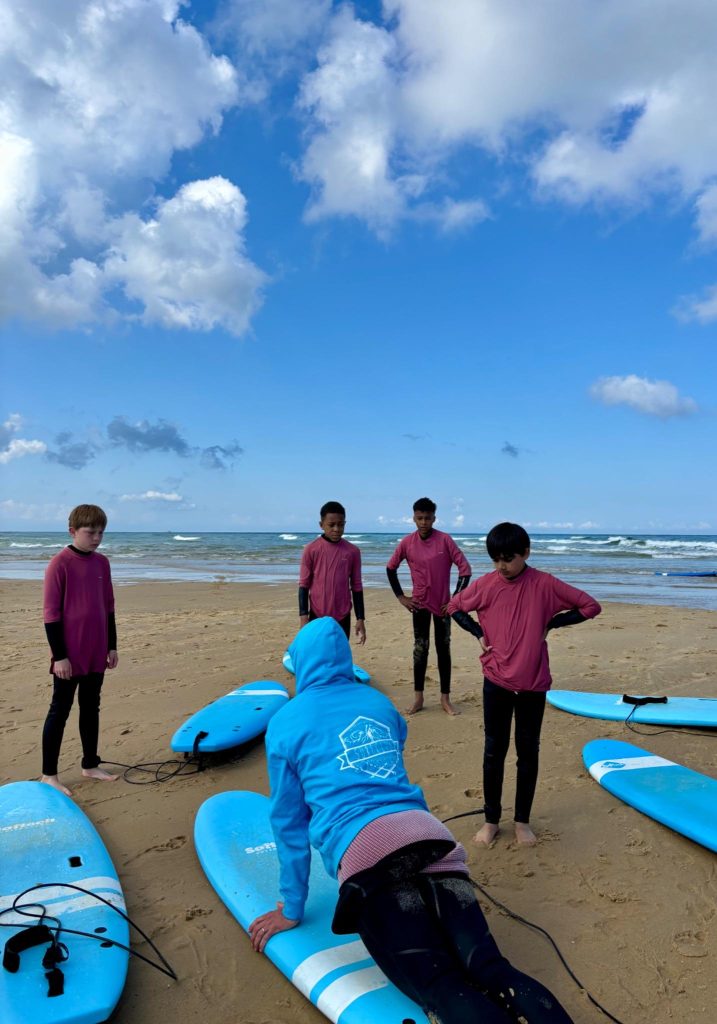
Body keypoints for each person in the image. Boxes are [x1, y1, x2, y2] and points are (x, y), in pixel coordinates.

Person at [248, 617, 574, 1024]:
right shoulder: (379, 704)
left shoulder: (284, 723)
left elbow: (289, 824)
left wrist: (291, 908)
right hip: (428, 834)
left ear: (300, 664)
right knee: (491, 968)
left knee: (441, 983)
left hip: (368, 856)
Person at [447, 522, 601, 847]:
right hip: (496, 681)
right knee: (494, 751)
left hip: (533, 684)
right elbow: (453, 606)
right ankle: (491, 820)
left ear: (526, 553)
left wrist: (552, 622)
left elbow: (590, 606)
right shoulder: (487, 584)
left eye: (508, 558)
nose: (502, 566)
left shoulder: (545, 585)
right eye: (495, 559)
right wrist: (478, 632)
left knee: (527, 752)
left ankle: (521, 821)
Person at [40, 504, 119, 796]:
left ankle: (90, 764)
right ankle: (49, 774)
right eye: (90, 532)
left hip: (96, 650)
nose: (96, 538)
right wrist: (59, 656)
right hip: (69, 655)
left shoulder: (102, 563)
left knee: (91, 707)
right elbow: (51, 615)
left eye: (101, 532)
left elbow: (109, 607)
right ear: (73, 531)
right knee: (59, 710)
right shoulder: (59, 564)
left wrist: (112, 645)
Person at [386, 497, 470, 715]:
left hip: (443, 607)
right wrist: (401, 597)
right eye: (420, 518)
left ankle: (445, 699)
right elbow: (390, 568)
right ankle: (418, 698)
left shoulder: (445, 540)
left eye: (428, 518)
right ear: (413, 518)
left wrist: (455, 600)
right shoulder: (407, 543)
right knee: (420, 650)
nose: (424, 522)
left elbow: (465, 570)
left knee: (444, 650)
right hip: (419, 605)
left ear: (434, 518)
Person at [298, 500, 366, 645]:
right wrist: (304, 618)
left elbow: (357, 586)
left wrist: (360, 618)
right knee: (317, 651)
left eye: (341, 525)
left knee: (338, 653)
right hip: (317, 614)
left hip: (343, 615)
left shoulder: (353, 552)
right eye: (331, 525)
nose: (336, 529)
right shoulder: (311, 550)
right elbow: (304, 585)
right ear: (321, 525)